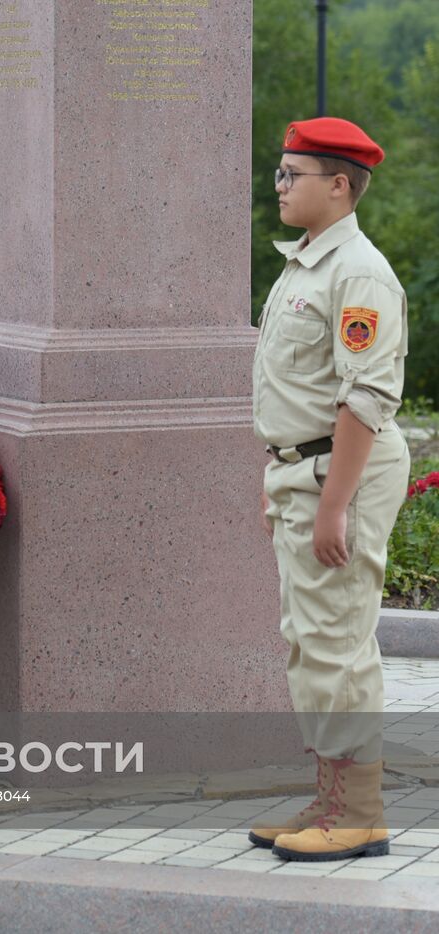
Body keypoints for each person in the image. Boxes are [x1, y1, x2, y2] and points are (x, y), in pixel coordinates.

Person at [247, 117, 409, 862]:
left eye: (292, 174)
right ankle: (331, 798)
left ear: (339, 185)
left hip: (337, 471)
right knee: (312, 643)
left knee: (337, 643)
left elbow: (364, 399)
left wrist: (334, 503)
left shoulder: (359, 273)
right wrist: (278, 475)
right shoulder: (306, 264)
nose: (278, 186)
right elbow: (296, 389)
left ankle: (359, 814)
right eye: (279, 173)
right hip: (304, 470)